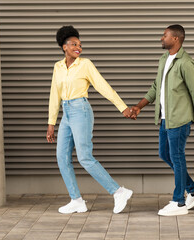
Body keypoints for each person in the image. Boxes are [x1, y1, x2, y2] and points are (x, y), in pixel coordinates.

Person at [46, 25, 133, 214]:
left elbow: (103, 86)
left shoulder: (85, 64)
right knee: (62, 157)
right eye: (74, 44)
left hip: (81, 110)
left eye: (80, 44)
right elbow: (55, 94)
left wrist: (122, 107)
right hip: (66, 113)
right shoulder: (58, 67)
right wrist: (51, 123)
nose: (79, 47)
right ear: (64, 47)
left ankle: (119, 192)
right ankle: (76, 200)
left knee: (84, 157)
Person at [130, 24, 194, 216]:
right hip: (166, 119)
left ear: (175, 39)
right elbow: (156, 87)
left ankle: (179, 202)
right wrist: (139, 106)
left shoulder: (185, 63)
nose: (161, 38)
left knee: (177, 157)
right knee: (165, 154)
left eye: (164, 35)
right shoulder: (164, 59)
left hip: (179, 119)